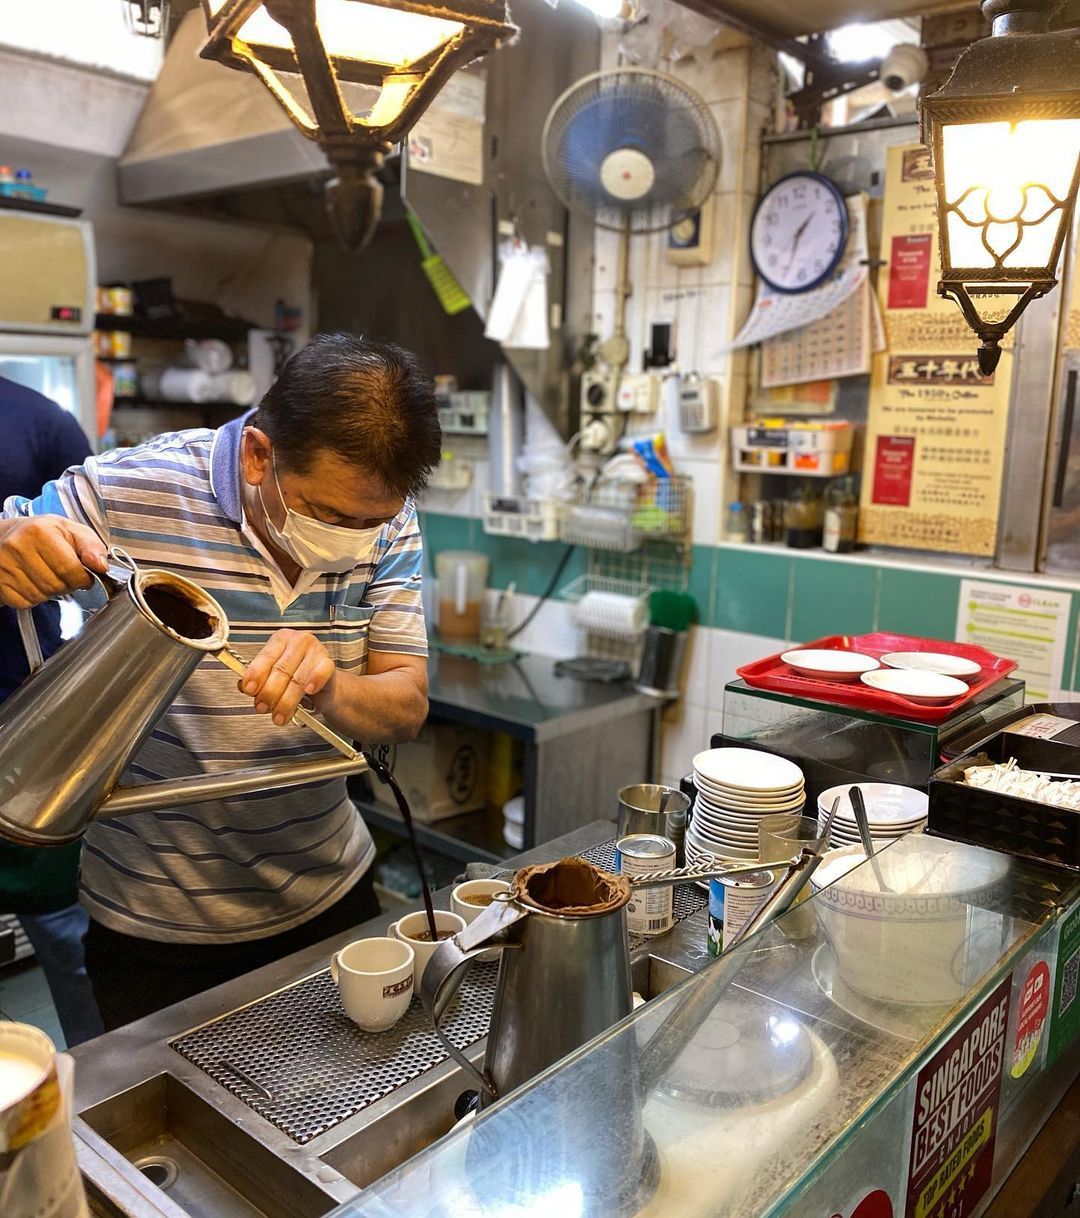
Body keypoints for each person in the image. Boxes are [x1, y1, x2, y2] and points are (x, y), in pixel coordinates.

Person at [0, 335, 441, 1030]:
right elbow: (19, 536)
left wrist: (331, 689)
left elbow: (406, 705)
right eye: (328, 515)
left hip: (329, 894)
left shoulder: (390, 525)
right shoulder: (128, 489)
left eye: (371, 522)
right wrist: (8, 542)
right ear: (259, 454)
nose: (352, 539)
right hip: (155, 918)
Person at [0, 374, 105, 1046]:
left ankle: (101, 1092)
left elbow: (97, 564)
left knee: (69, 935)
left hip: (30, 725)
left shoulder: (37, 420)